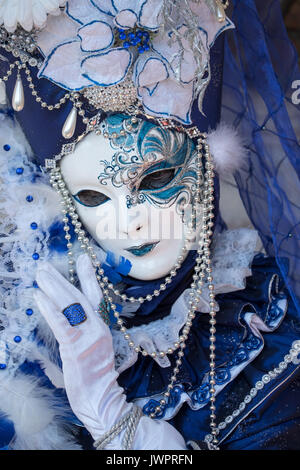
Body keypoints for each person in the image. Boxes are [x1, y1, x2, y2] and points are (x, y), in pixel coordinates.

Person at [0, 0, 299, 451]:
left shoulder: (269, 331)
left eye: (155, 179)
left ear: (208, 160)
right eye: (93, 196)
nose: (129, 223)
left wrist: (122, 430)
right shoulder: (37, 343)